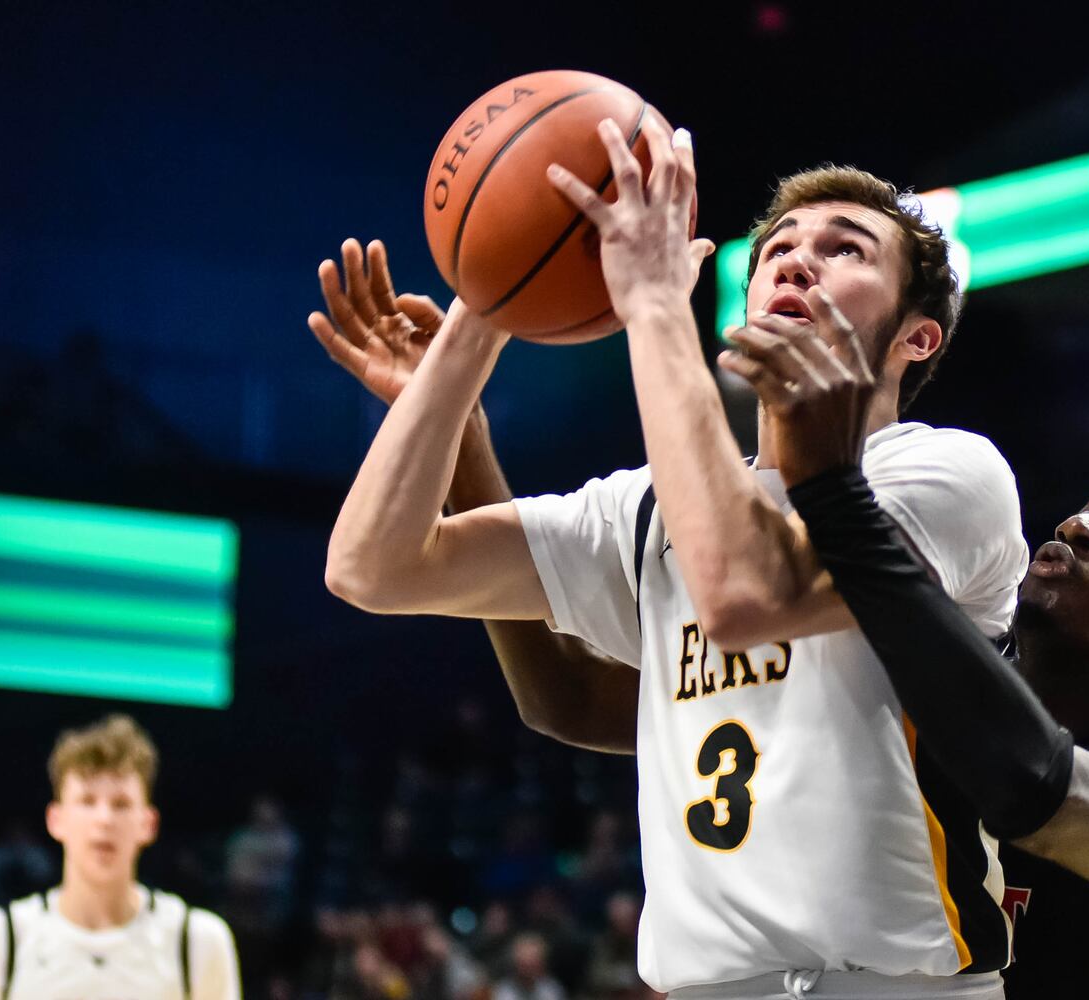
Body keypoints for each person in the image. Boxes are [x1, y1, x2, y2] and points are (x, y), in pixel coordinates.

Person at [314, 118, 1027, 998]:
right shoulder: (647, 506)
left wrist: (653, 306)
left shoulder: (945, 472)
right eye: (780, 249)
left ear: (920, 337)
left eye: (847, 251)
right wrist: (476, 327)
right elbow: (372, 568)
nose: (799, 262)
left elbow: (744, 591)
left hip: (894, 985)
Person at [0, 715, 241, 999]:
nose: (104, 820)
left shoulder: (197, 941)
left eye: (121, 804)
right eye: (87, 801)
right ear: (55, 820)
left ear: (148, 824)